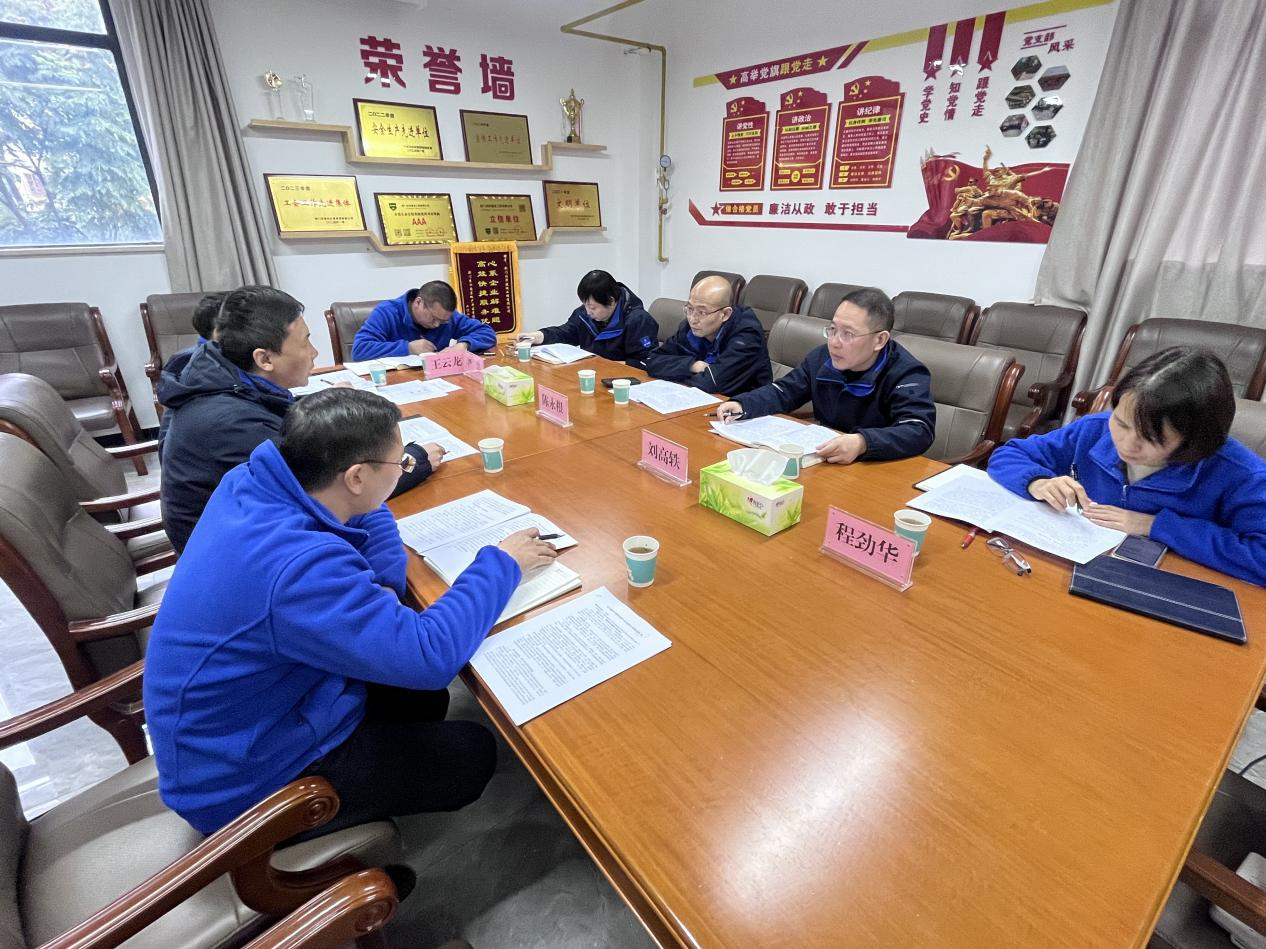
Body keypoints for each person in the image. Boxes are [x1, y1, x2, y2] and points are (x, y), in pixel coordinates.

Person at [145, 388, 559, 836]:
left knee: (421, 697)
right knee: (471, 751)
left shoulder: (256, 481)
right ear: (356, 476)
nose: (404, 470)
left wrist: (384, 585)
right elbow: (431, 654)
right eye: (400, 464)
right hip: (246, 781)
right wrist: (503, 564)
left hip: (261, 710)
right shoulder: (297, 567)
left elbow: (368, 522)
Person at [159, 285, 442, 552]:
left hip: (249, 529)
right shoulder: (234, 425)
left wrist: (326, 404)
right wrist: (413, 460)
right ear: (265, 359)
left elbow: (271, 406)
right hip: (237, 552)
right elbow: (333, 493)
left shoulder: (221, 377)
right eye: (305, 342)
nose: (314, 353)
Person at [988, 347, 1266, 586]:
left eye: (1151, 438)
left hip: (1168, 589)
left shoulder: (1241, 473)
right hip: (1074, 569)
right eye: (1121, 423)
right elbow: (1009, 454)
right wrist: (1038, 482)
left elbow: (1261, 557)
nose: (1126, 444)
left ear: (1194, 440)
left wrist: (1156, 525)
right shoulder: (1094, 430)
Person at [715, 287, 935, 463]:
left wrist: (863, 443)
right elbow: (785, 391)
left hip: (875, 467)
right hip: (824, 459)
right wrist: (744, 404)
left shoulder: (906, 373)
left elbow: (918, 429)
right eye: (833, 329)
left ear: (880, 340)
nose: (834, 342)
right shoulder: (822, 358)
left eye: (848, 334)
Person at [644, 274, 771, 394]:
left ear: (725, 314)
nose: (692, 319)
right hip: (702, 398)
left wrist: (674, 371)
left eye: (702, 312)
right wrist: (692, 365)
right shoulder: (691, 327)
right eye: (690, 309)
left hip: (741, 405)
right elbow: (652, 361)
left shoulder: (747, 335)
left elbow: (711, 383)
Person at [515, 269, 658, 367]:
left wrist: (603, 365)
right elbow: (566, 333)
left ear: (611, 301)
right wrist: (537, 336)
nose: (588, 312)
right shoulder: (584, 314)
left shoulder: (638, 321)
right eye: (585, 305)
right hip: (593, 373)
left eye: (593, 307)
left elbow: (646, 362)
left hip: (622, 382)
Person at [352, 280, 496, 360]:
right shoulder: (386, 312)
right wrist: (408, 348)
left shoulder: (447, 317)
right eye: (434, 318)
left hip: (438, 381)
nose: (437, 324)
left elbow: (487, 332)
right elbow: (360, 350)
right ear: (419, 302)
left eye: (443, 321)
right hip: (396, 383)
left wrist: (464, 345)